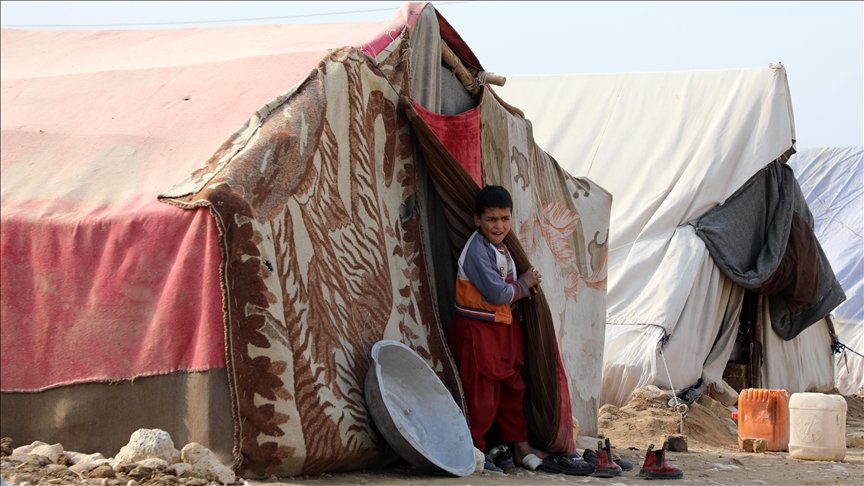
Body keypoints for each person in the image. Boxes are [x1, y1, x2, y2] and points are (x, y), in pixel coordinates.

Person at [447, 185, 554, 472]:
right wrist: (524, 284)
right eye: (492, 219)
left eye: (505, 219)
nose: (499, 225)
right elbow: (497, 293)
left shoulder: (503, 248)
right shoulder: (476, 250)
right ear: (477, 219)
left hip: (502, 331)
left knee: (512, 389)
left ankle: (520, 447)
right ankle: (475, 452)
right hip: (478, 332)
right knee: (480, 394)